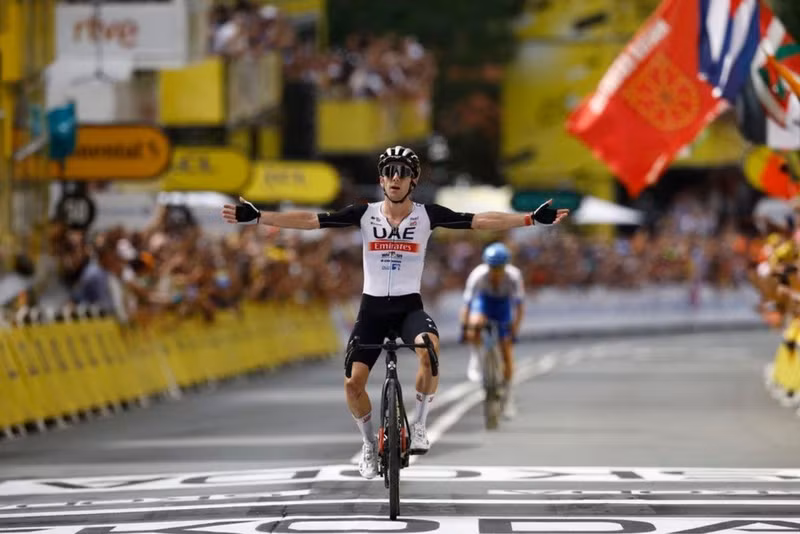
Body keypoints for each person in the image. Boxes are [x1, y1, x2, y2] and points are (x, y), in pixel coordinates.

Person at [222, 145, 569, 479]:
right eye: (389, 172)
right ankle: (368, 445)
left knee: (429, 349)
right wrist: (259, 216)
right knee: (352, 384)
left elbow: (479, 220)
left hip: (408, 309)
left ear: (413, 180)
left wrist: (529, 219)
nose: (395, 178)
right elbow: (311, 220)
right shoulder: (364, 214)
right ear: (381, 179)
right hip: (372, 311)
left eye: (402, 173)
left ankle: (419, 425)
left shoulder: (427, 215)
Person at [460, 242, 524, 418]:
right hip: (484, 304)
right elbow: (466, 305)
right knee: (474, 324)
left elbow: (519, 307)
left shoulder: (514, 276)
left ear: (505, 266)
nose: (495, 272)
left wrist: (514, 329)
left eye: (499, 268)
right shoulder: (478, 275)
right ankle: (476, 358)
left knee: (507, 352)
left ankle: (508, 399)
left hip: (503, 307)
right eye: (492, 268)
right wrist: (465, 328)